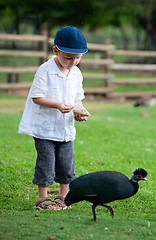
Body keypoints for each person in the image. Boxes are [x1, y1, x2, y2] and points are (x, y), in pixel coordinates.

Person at [18, 26, 88, 210]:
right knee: (46, 162)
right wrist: (57, 105)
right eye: (69, 58)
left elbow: (77, 98)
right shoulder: (45, 70)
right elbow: (36, 97)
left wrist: (78, 111)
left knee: (66, 163)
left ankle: (63, 196)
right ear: (55, 51)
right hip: (45, 128)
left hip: (65, 128)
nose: (73, 62)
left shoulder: (76, 73)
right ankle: (43, 198)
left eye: (78, 58)